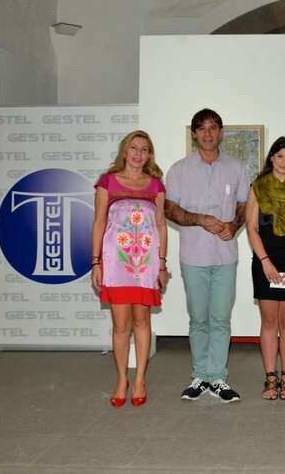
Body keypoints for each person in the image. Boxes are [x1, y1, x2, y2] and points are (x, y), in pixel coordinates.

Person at [165, 108, 248, 403]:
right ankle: (200, 375)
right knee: (199, 318)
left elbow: (243, 207)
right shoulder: (179, 169)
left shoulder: (236, 168)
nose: (208, 133)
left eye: (213, 127)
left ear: (221, 132)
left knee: (221, 319)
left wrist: (235, 225)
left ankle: (219, 378)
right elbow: (169, 209)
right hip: (194, 257)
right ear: (194, 134)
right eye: (202, 128)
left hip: (225, 255)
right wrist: (200, 219)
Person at [91, 130, 168, 408]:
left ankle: (140, 379)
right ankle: (122, 378)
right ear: (125, 151)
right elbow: (99, 223)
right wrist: (96, 262)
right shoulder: (107, 182)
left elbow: (160, 226)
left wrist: (161, 264)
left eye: (144, 149)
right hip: (115, 263)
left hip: (145, 265)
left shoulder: (156, 186)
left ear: (149, 155)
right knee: (121, 325)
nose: (138, 154)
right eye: (134, 148)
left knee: (142, 322)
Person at [246, 136, 285, 400]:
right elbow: (251, 227)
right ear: (271, 157)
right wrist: (265, 261)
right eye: (280, 155)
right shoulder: (258, 186)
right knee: (269, 320)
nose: (284, 161)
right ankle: (270, 379)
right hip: (265, 261)